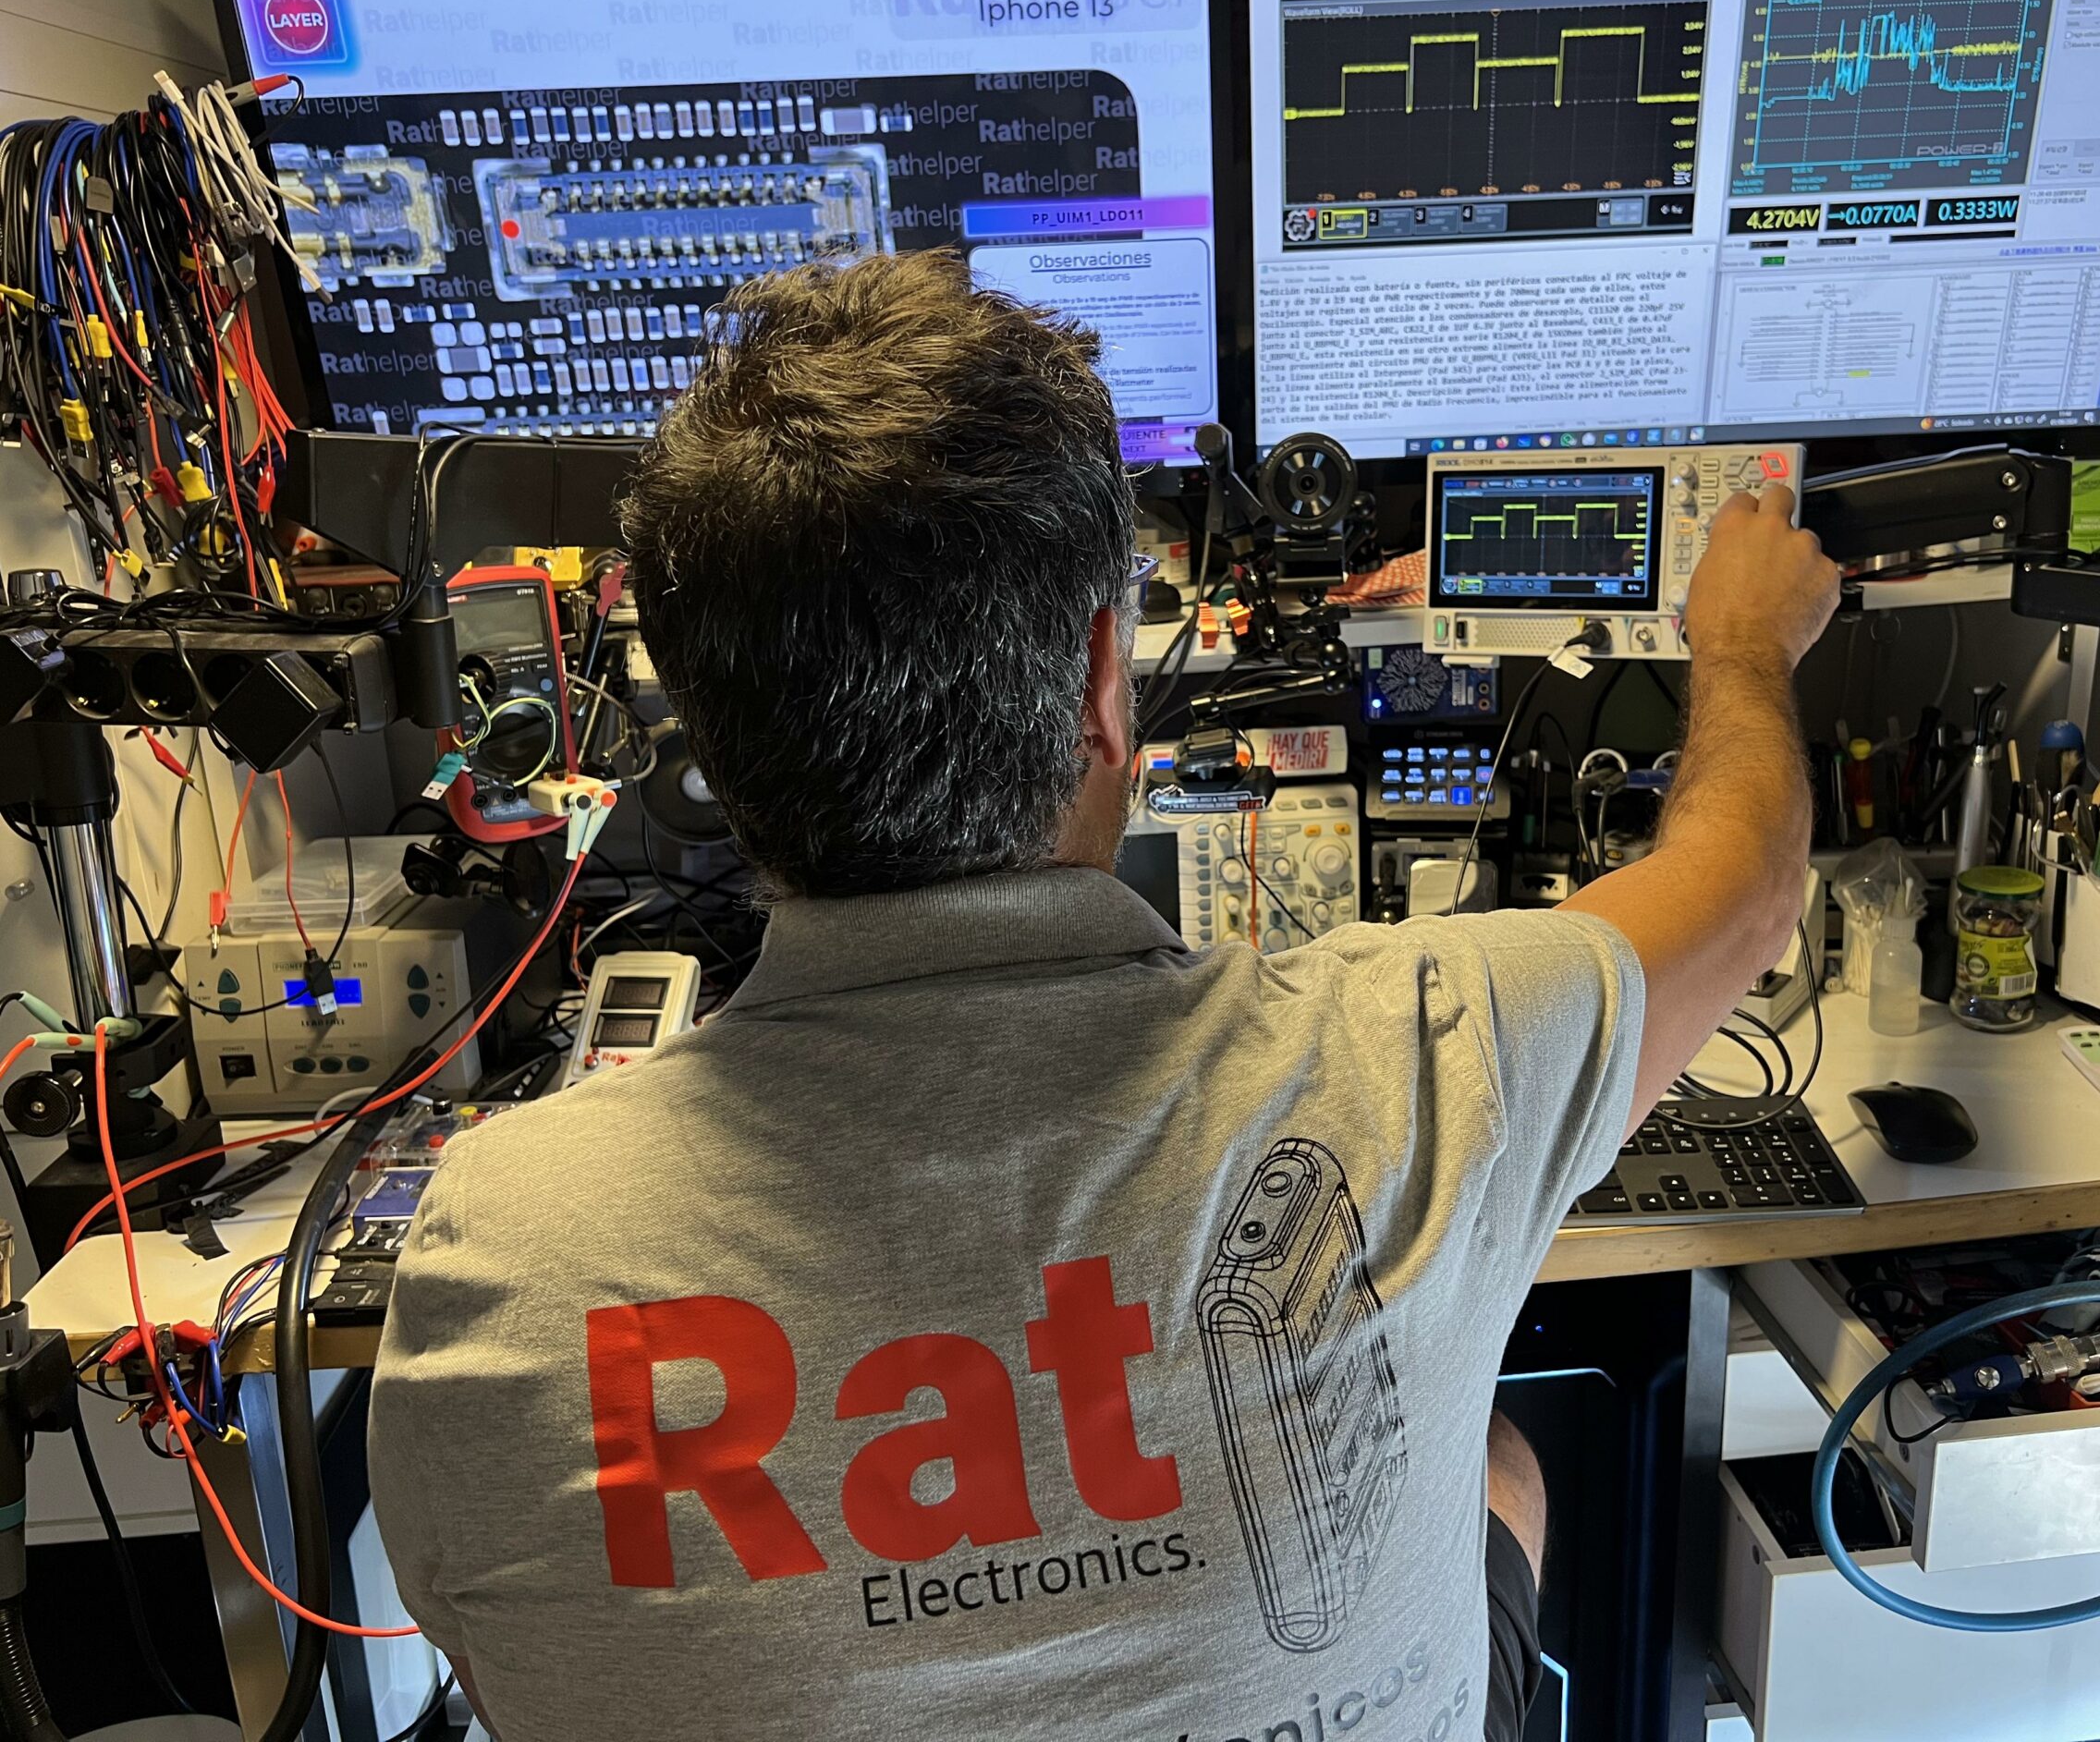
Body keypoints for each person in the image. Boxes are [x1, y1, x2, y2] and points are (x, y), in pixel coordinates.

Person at [369, 250, 1837, 1740]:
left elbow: (521, 1679)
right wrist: (1740, 643)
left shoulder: (502, 1253)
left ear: (700, 722)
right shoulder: (1427, 1048)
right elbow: (1742, 884)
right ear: (1100, 684)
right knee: (1501, 1469)